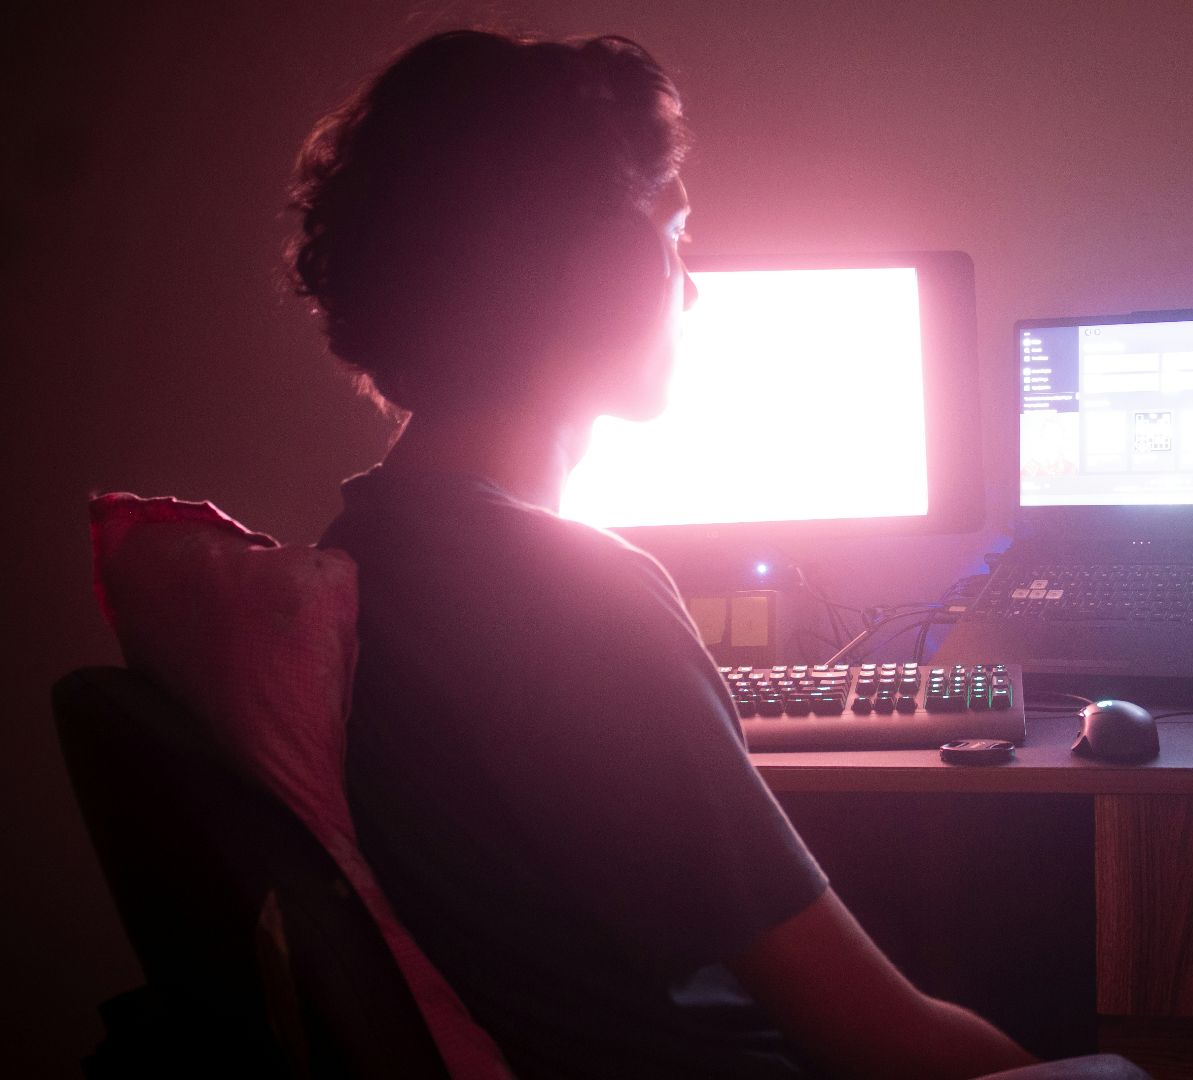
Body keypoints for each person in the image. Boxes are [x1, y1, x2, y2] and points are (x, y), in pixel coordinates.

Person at [289, 28, 1142, 1080]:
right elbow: (879, 1037)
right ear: (605, 271)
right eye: (676, 236)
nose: (691, 290)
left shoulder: (365, 547)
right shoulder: (567, 596)